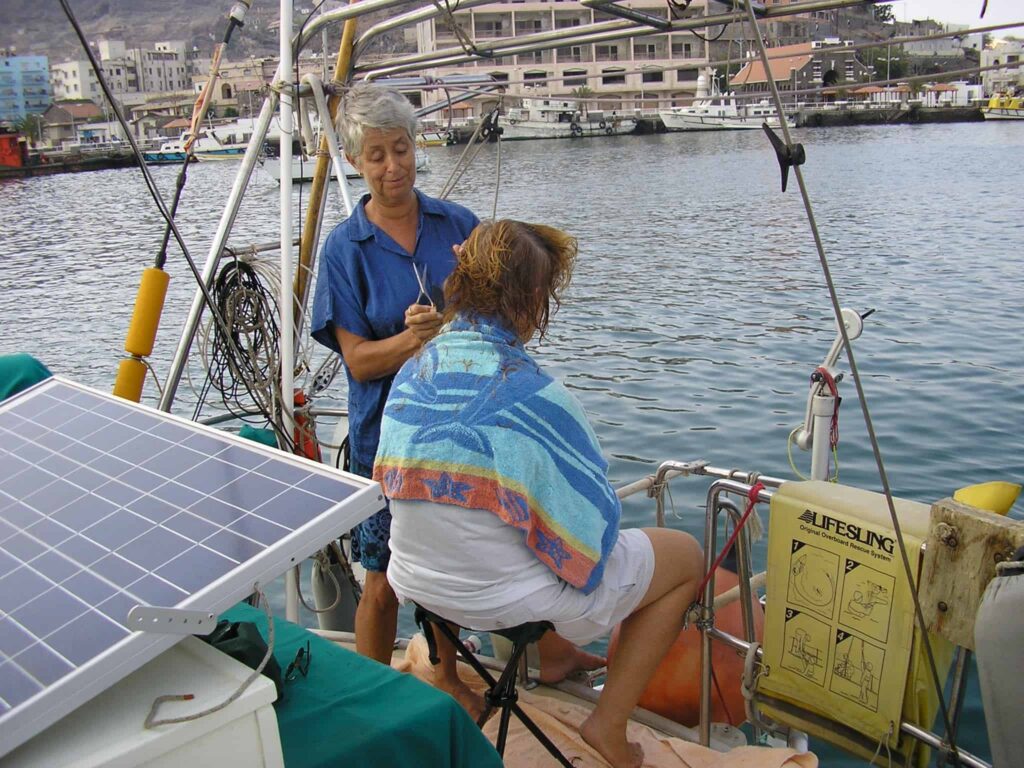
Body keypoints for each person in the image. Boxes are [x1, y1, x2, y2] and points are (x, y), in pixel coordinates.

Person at [310, 85, 601, 706]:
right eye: (377, 155)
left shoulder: (458, 224)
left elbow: (500, 306)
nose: (394, 167)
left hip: (469, 433)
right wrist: (413, 341)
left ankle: (451, 674)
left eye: (402, 149)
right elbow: (360, 363)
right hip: (388, 440)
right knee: (382, 578)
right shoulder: (344, 249)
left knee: (452, 556)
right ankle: (373, 703)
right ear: (358, 163)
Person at [374, 220, 703, 768]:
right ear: (532, 299)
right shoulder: (535, 395)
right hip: (500, 598)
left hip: (416, 579)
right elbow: (590, 530)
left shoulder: (413, 370)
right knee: (683, 557)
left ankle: (533, 661)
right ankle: (607, 725)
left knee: (474, 521)